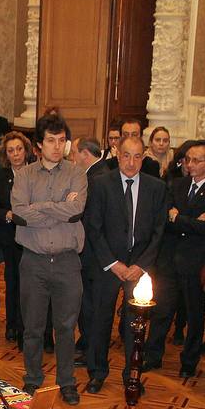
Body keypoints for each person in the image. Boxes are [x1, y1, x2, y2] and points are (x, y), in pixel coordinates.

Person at [82, 135, 167, 393]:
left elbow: (158, 232)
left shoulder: (156, 188)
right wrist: (112, 263)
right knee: (100, 320)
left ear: (144, 157)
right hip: (108, 265)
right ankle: (97, 372)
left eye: (137, 156)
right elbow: (93, 228)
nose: (131, 162)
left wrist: (140, 266)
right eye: (126, 155)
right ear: (118, 155)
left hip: (138, 269)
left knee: (135, 325)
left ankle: (133, 375)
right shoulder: (100, 184)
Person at [12, 112, 88, 403]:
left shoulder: (76, 173)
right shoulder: (25, 175)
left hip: (68, 261)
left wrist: (38, 208)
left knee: (66, 327)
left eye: (62, 140)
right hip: (33, 261)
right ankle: (32, 379)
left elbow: (77, 210)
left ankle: (66, 381)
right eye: (51, 141)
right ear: (38, 145)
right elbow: (19, 213)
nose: (57, 146)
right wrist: (57, 207)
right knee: (32, 327)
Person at [143, 140, 205, 379]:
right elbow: (165, 218)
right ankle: (152, 355)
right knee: (161, 309)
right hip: (169, 258)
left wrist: (179, 217)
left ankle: (189, 361)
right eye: (187, 159)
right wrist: (189, 220)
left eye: (196, 160)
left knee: (193, 313)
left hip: (195, 261)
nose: (190, 164)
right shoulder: (177, 184)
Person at [0, 132, 34, 345]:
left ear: (26, 150)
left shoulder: (37, 172)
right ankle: (12, 325)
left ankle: (29, 326)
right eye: (11, 151)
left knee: (31, 284)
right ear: (6, 155)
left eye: (19, 149)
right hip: (10, 238)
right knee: (12, 281)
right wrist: (6, 215)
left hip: (35, 237)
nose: (16, 154)